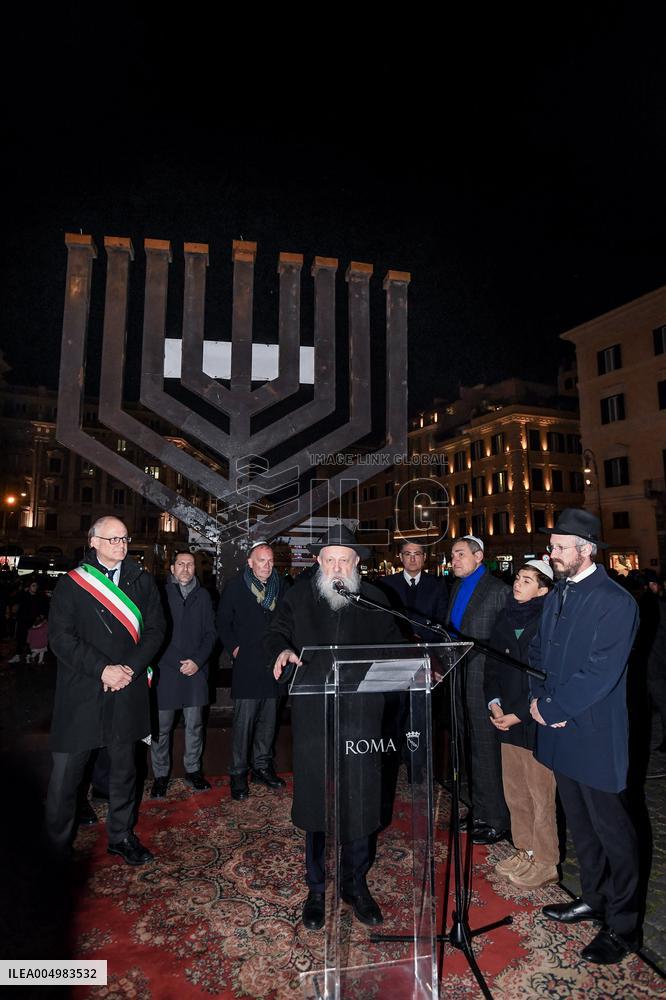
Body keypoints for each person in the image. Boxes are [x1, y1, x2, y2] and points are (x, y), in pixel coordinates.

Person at [265, 524, 404, 931]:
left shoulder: (376, 600)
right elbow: (276, 632)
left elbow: (395, 649)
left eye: (345, 559)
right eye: (330, 559)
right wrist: (283, 650)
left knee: (360, 802)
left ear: (358, 563)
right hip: (315, 716)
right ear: (318, 562)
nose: (337, 566)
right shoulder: (298, 597)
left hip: (362, 715)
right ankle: (316, 887)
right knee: (317, 802)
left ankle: (355, 885)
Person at [529, 508, 640, 965]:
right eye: (552, 546)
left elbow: (601, 671)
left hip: (592, 734)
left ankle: (623, 926)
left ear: (586, 549)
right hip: (560, 732)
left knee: (614, 832)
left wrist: (554, 707)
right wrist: (537, 698)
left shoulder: (615, 601)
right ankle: (592, 898)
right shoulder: (558, 594)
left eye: (558, 547)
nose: (550, 554)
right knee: (580, 825)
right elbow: (538, 650)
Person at [44, 516, 165, 865]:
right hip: (83, 689)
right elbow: (61, 639)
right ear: (93, 542)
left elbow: (157, 630)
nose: (121, 545)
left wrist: (129, 669)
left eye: (125, 539)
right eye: (113, 539)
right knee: (66, 778)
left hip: (127, 687)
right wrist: (103, 670)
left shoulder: (142, 581)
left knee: (125, 771)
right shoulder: (71, 584)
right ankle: (55, 848)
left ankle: (121, 835)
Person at [484, 558, 558, 889]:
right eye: (518, 578)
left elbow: (546, 676)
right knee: (514, 791)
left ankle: (546, 860)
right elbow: (492, 665)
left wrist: (518, 712)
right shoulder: (504, 617)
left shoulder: (550, 620)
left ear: (543, 588)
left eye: (527, 580)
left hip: (533, 718)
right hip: (506, 718)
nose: (518, 584)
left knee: (540, 793)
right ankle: (524, 849)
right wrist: (495, 703)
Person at [446, 535, 510, 844]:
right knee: (469, 748)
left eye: (459, 554)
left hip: (484, 681)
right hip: (459, 677)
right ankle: (478, 809)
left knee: (487, 749)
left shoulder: (498, 590)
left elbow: (508, 642)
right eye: (453, 555)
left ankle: (496, 818)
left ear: (478, 556)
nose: (453, 560)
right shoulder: (457, 587)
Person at [217, 541, 288, 800]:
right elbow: (223, 622)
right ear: (250, 562)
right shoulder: (235, 587)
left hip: (273, 666)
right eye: (261, 561)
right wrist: (235, 649)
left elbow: (287, 621)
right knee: (243, 725)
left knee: (269, 724)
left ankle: (262, 768)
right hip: (247, 666)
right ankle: (237, 774)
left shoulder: (282, 587)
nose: (267, 566)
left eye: (270, 561)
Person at [150, 551, 217, 798]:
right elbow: (154, 633)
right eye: (181, 564)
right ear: (172, 568)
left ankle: (193, 771)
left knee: (194, 725)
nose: (186, 569)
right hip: (166, 670)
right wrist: (174, 661)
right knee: (162, 727)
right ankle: (160, 776)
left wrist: (197, 662)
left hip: (195, 672)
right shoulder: (161, 595)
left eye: (190, 565)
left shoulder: (204, 596)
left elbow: (211, 633)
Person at [379, 540, 448, 640]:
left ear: (424, 557)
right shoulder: (385, 584)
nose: (412, 559)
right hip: (396, 645)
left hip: (428, 646)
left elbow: (441, 618)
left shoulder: (437, 585)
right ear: (401, 557)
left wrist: (421, 638)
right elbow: (382, 618)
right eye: (407, 554)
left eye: (417, 554)